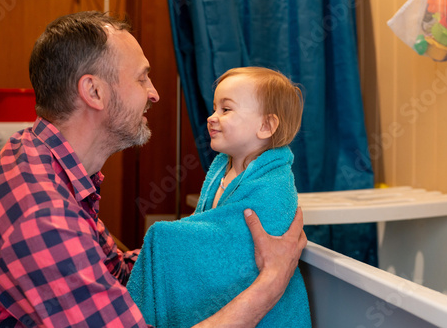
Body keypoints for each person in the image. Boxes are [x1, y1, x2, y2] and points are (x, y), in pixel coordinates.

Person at [0, 12, 307, 327]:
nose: (154, 94)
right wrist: (271, 282)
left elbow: (113, 271)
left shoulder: (39, 161)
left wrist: (182, 250)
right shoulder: (42, 215)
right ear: (93, 91)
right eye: (142, 79)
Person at [127, 67, 311, 327]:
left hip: (269, 313)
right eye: (214, 108)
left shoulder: (274, 183)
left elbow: (242, 244)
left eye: (226, 109)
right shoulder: (221, 169)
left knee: (162, 236)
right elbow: (209, 225)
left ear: (266, 125)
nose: (212, 117)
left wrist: (169, 240)